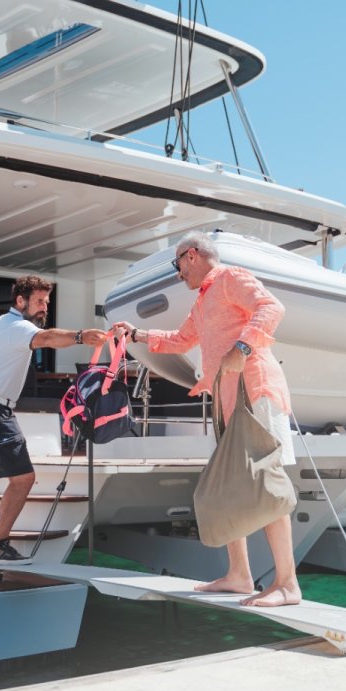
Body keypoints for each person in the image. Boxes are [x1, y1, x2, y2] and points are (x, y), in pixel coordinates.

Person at [114, 231, 301, 608]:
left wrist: (243, 347)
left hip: (256, 392)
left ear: (193, 255)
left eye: (177, 265)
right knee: (232, 485)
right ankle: (239, 575)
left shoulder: (231, 278)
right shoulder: (202, 301)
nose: (178, 274)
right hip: (227, 402)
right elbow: (182, 340)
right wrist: (136, 333)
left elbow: (271, 307)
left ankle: (287, 584)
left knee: (264, 484)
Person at [0, 275, 109, 564]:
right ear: (20, 301)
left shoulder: (4, 324)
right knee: (24, 479)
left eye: (47, 303)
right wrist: (81, 336)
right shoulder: (16, 326)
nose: (44, 307)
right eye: (39, 302)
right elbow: (48, 337)